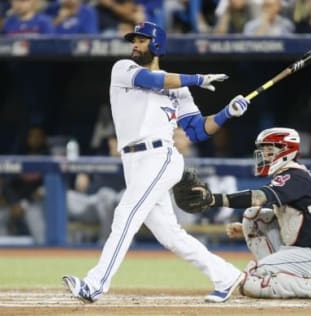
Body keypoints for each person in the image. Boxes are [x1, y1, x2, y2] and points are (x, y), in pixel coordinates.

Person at [62, 21, 250, 304]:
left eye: (141, 40)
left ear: (157, 44)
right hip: (132, 161)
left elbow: (197, 130)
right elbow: (154, 81)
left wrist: (227, 113)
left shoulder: (180, 89)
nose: (135, 45)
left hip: (160, 156)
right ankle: (225, 275)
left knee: (125, 214)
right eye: (133, 40)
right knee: (169, 234)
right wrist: (199, 78)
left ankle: (95, 284)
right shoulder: (123, 69)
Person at [180, 127, 311, 299]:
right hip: (300, 249)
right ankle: (278, 273)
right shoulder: (289, 174)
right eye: (263, 149)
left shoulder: (295, 175)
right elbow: (291, 219)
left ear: (287, 150)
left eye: (269, 149)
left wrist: (213, 199)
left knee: (250, 281)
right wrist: (244, 229)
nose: (264, 155)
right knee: (252, 217)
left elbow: (258, 197)